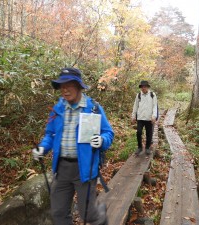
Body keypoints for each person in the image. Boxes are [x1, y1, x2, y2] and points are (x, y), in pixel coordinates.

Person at [32, 67, 114, 225]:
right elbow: (50, 134)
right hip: (61, 168)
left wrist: (102, 140)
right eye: (61, 86)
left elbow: (108, 133)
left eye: (68, 85)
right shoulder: (57, 109)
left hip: (85, 168)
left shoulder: (93, 108)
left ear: (78, 86)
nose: (64, 89)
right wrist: (43, 148)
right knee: (58, 213)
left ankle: (100, 216)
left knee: (87, 215)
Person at [131, 80, 157, 155]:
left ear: (147, 87)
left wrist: (154, 116)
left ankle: (147, 147)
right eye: (142, 87)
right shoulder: (138, 95)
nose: (143, 88)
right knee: (139, 132)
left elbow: (155, 106)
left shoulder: (152, 95)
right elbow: (135, 106)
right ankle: (139, 147)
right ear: (141, 87)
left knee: (149, 133)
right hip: (140, 118)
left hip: (149, 118)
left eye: (145, 86)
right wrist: (133, 116)